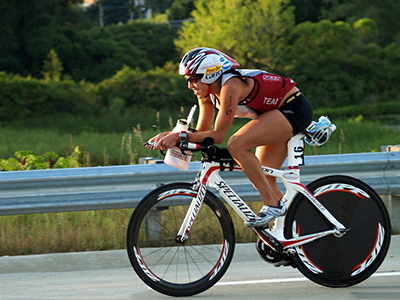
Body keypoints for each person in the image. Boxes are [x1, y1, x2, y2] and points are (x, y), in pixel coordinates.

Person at [147, 47, 313, 228]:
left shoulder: (230, 86)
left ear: (210, 75)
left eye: (193, 79)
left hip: (293, 108)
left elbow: (218, 136)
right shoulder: (206, 94)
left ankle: (273, 205)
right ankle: (301, 230)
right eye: (188, 80)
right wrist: (172, 135)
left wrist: (180, 137)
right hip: (272, 114)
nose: (189, 86)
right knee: (264, 178)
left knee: (237, 145)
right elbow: (203, 132)